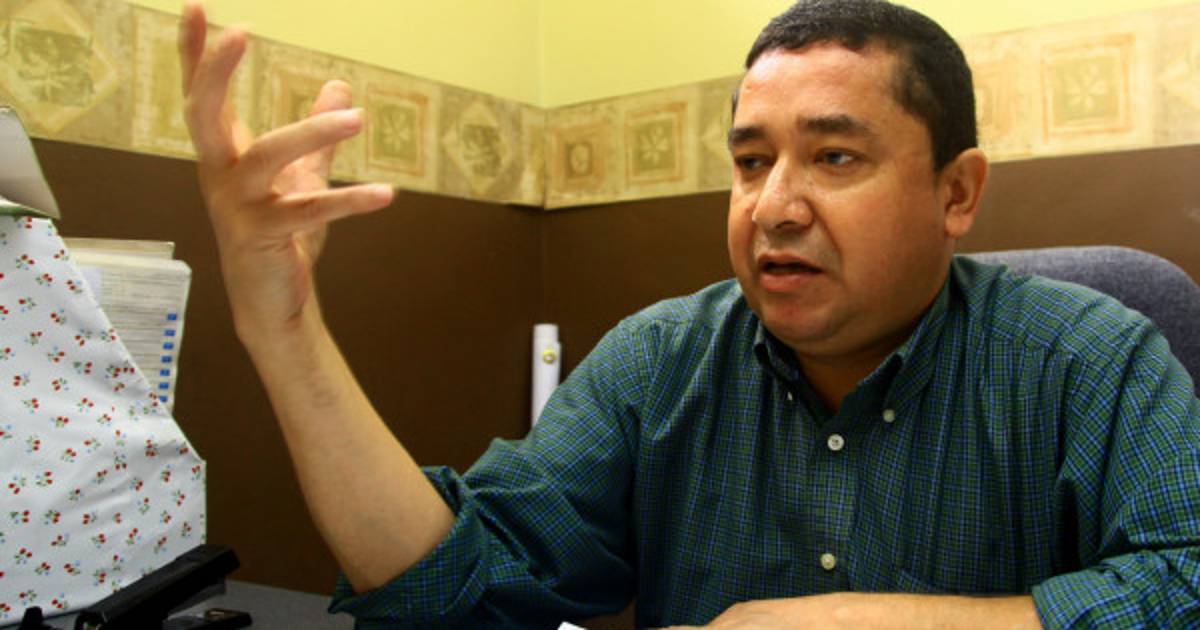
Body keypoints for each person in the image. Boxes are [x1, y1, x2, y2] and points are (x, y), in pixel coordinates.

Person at [178, 0, 1200, 627]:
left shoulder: (1092, 356)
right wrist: (285, 329)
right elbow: (458, 585)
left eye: (834, 156)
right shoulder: (661, 360)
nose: (774, 206)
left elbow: (1186, 582)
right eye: (751, 162)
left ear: (957, 191)